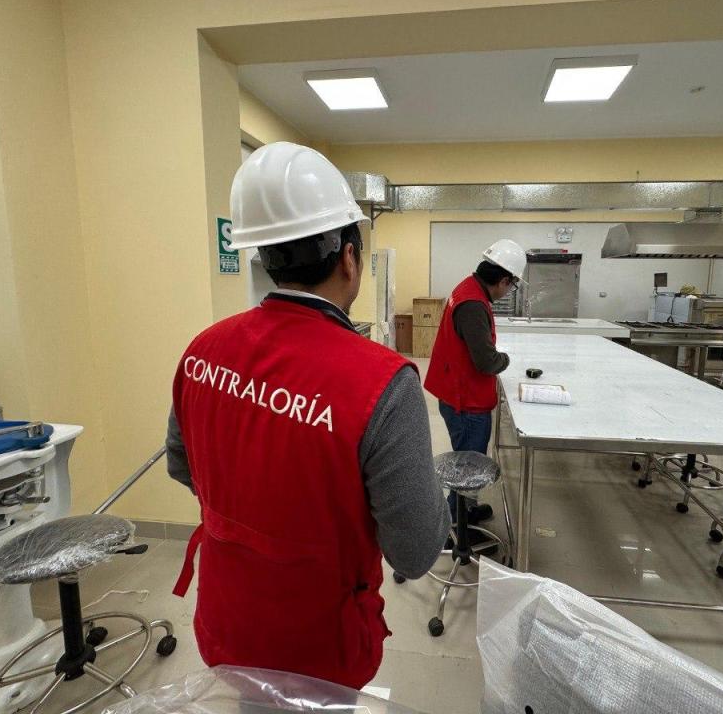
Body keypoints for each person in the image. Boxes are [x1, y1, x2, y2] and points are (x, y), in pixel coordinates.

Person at [165, 142, 449, 690]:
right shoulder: (382, 382)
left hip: (227, 621)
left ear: (265, 256)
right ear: (349, 258)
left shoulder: (203, 350)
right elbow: (415, 552)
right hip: (322, 648)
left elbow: (182, 466)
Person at [424, 239, 527, 522]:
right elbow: (486, 361)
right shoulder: (473, 304)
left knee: (466, 463)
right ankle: (458, 523)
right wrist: (506, 359)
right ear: (504, 280)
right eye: (511, 285)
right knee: (467, 468)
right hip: (465, 402)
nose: (508, 291)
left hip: (457, 392)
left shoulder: (469, 287)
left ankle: (465, 510)